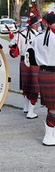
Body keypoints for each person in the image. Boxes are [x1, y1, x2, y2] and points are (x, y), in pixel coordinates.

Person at [10, 15, 41, 119]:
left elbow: (11, 44)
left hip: (23, 61)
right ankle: (30, 112)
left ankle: (26, 107)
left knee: (26, 85)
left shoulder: (19, 34)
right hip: (34, 62)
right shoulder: (37, 35)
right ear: (35, 25)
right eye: (37, 24)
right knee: (34, 87)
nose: (38, 25)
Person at [33, 12, 55, 145]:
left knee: (51, 106)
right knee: (53, 107)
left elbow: (31, 58)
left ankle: (51, 134)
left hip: (43, 73)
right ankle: (48, 136)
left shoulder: (37, 37)